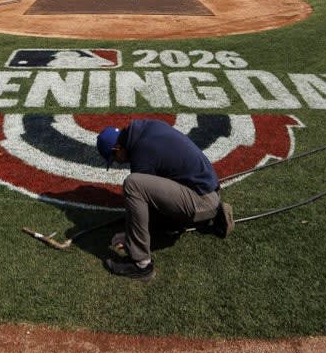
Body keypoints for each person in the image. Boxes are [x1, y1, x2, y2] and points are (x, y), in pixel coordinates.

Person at [96, 119, 234, 281]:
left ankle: (141, 264)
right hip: (207, 190)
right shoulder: (147, 128)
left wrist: (130, 238)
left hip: (201, 200)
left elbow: (146, 206)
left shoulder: (142, 152)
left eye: (115, 159)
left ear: (117, 148)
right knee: (143, 188)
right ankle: (207, 216)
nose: (118, 163)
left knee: (133, 185)